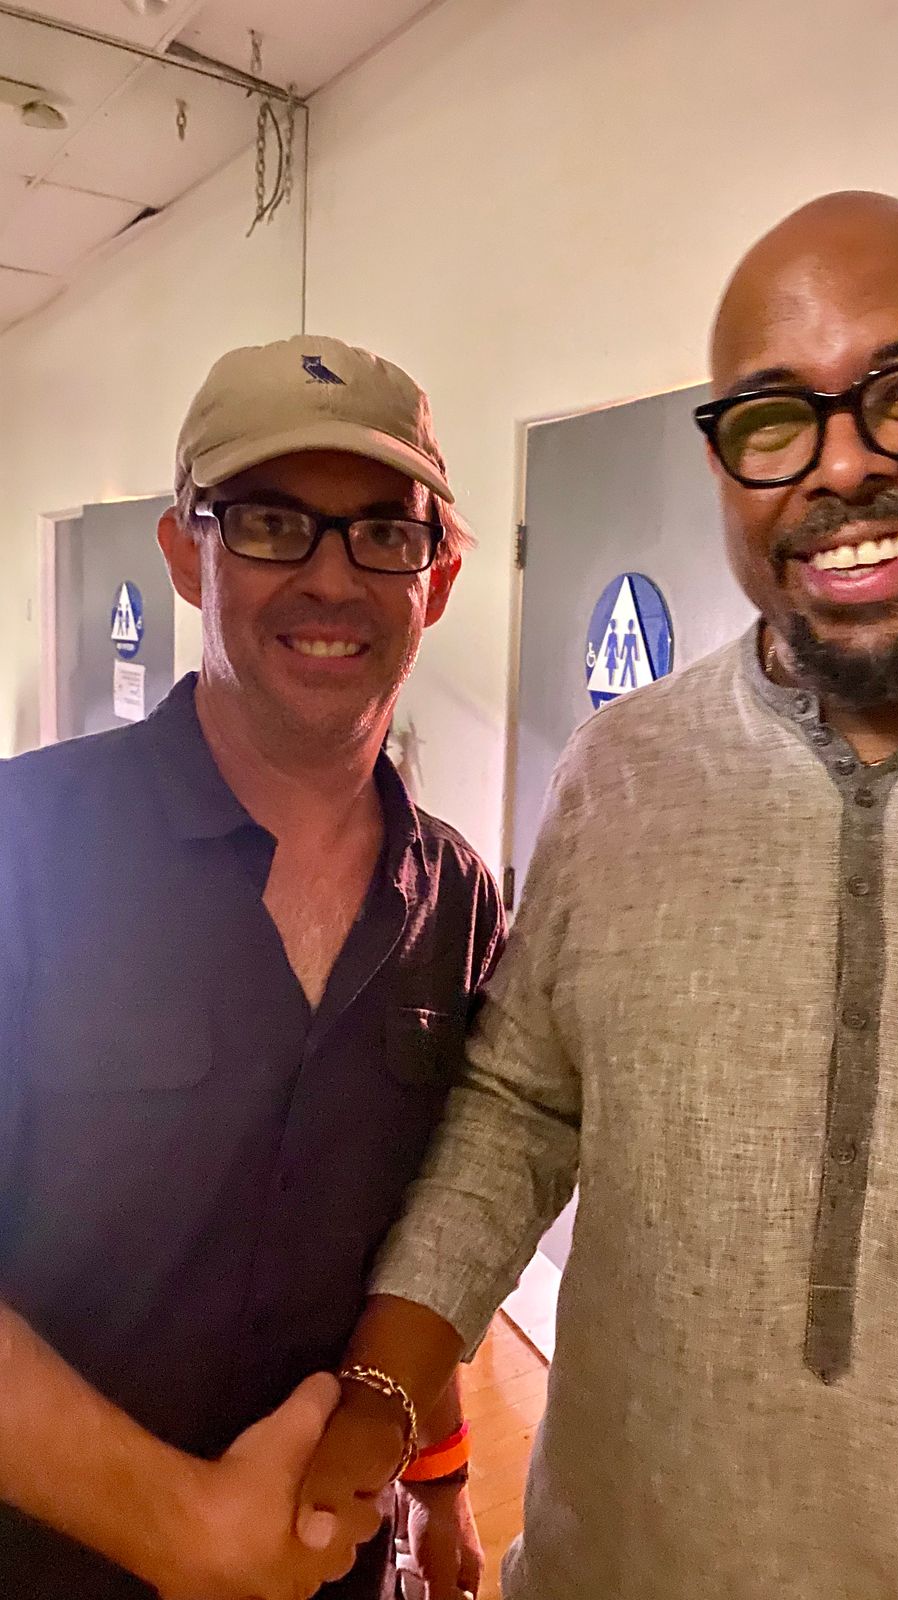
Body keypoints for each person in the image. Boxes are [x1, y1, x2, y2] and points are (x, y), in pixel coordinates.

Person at [294, 193, 898, 1600]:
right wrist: (382, 1396)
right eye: (774, 419)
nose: (842, 465)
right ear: (723, 467)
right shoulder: (624, 769)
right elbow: (523, 1104)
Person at [0, 335, 502, 1600]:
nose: (330, 577)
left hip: (331, 1570)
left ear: (438, 578)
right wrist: (182, 1529)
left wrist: (442, 1483)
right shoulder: (24, 847)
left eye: (383, 534)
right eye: (271, 523)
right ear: (188, 552)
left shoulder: (458, 904)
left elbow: (428, 1231)